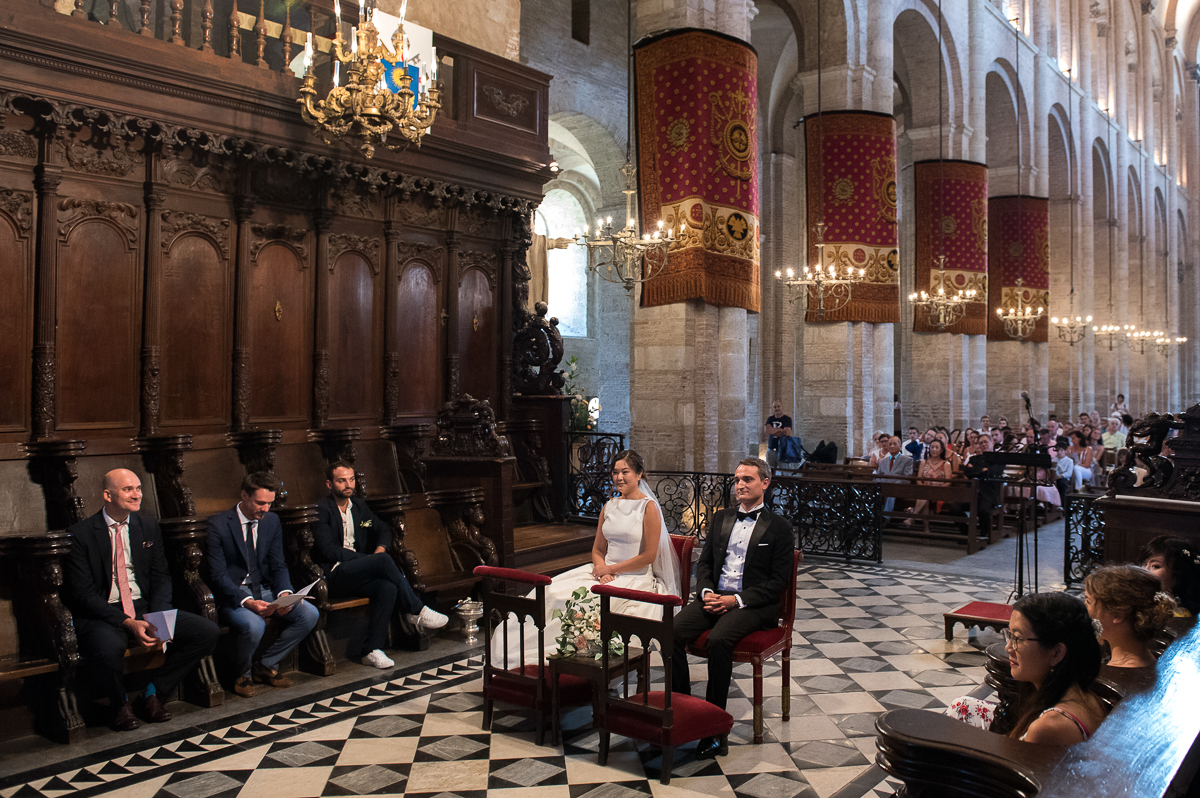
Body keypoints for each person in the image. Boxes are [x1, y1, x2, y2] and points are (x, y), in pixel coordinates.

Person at [64, 469, 220, 731]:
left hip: (143, 606)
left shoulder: (147, 525)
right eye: (128, 489)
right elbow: (83, 593)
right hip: (105, 613)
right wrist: (126, 622)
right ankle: (119, 704)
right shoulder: (81, 534)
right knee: (107, 649)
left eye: (138, 488)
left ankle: (152, 694)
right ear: (107, 495)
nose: (137, 494)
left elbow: (161, 575)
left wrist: (157, 617)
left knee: (207, 631)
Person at [491, 449, 680, 665]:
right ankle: (523, 650)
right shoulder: (609, 506)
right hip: (602, 573)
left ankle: (573, 657)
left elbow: (648, 556)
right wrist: (602, 571)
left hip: (635, 576)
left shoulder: (648, 508)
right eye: (615, 472)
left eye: (625, 472)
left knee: (590, 603)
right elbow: (598, 550)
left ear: (639, 474)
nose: (618, 477)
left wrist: (612, 570)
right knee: (551, 591)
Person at [673, 457, 794, 759]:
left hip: (753, 604)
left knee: (719, 640)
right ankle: (683, 710)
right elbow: (706, 564)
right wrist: (707, 591)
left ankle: (715, 729)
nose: (739, 485)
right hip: (716, 595)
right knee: (670, 632)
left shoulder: (779, 527)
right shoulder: (721, 518)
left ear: (765, 483)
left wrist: (734, 600)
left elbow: (778, 582)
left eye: (748, 479)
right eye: (737, 479)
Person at [313, 461, 448, 670]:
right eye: (341, 481)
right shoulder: (322, 510)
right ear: (329, 484)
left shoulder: (358, 509)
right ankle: (416, 609)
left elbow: (379, 527)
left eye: (351, 479)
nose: (348, 485)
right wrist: (367, 560)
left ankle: (371, 650)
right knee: (383, 562)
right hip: (335, 574)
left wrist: (380, 549)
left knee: (387, 587)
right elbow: (328, 549)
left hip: (358, 572)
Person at [207, 472, 320, 697]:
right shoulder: (219, 525)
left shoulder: (271, 521)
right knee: (254, 625)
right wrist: (247, 602)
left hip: (266, 589)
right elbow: (218, 576)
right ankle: (243, 674)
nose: (266, 509)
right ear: (244, 495)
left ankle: (266, 664)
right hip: (235, 595)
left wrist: (285, 594)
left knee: (309, 614)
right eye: (260, 503)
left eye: (269, 503)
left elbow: (278, 565)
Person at [950, 593, 1104, 744]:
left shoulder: (1048, 728)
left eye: (1018, 638)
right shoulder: (1080, 692)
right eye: (1009, 635)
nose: (1008, 647)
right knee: (961, 706)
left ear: (1056, 653)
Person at [1084, 565, 1176, 669]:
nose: (1084, 608)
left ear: (1117, 615)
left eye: (1088, 602)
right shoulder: (1147, 657)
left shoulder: (1111, 676)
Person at [1140, 535, 1200, 616]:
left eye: (1155, 566)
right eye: (1144, 564)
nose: (1144, 571)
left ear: (1180, 573)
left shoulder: (1179, 614)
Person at [905, 438, 952, 524]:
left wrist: (940, 488)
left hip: (940, 491)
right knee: (925, 496)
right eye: (932, 447)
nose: (934, 449)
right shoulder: (924, 462)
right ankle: (926, 529)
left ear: (941, 450)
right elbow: (919, 479)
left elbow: (948, 481)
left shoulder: (946, 464)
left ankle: (913, 518)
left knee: (925, 495)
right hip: (925, 489)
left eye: (936, 447)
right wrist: (923, 486)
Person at [874, 436, 913, 512]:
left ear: (900, 446)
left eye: (895, 444)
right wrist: (883, 483)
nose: (892, 446)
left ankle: (886, 517)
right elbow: (878, 476)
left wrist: (893, 484)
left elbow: (907, 477)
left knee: (891, 492)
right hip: (884, 486)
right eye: (890, 444)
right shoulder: (883, 462)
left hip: (898, 486)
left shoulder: (907, 460)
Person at [763, 401, 793, 468]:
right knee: (770, 471)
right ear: (772, 409)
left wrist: (773, 430)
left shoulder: (787, 419)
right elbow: (768, 430)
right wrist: (781, 430)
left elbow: (787, 432)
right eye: (775, 407)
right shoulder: (770, 419)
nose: (777, 408)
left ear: (782, 407)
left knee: (785, 472)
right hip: (771, 449)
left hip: (783, 450)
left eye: (778, 406)